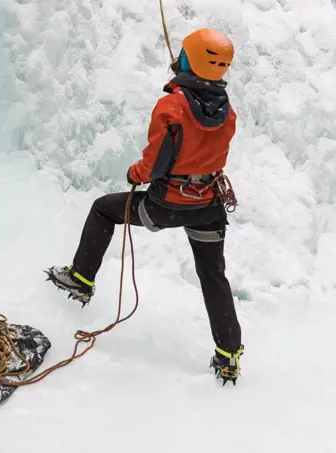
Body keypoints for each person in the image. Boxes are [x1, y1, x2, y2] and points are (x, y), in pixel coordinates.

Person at [46, 28, 244, 385]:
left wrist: (133, 172)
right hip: (208, 205)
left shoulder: (172, 106)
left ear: (188, 59)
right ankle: (229, 355)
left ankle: (80, 279)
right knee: (213, 274)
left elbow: (155, 165)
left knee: (103, 209)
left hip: (167, 204)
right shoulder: (227, 112)